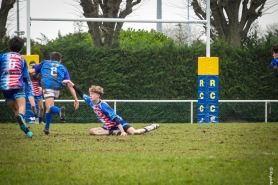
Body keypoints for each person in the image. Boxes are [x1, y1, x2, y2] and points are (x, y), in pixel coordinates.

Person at [62, 80, 159, 136]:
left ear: (98, 96)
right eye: (90, 94)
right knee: (92, 131)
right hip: (109, 127)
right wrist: (70, 82)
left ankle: (151, 126)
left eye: (92, 94)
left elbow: (115, 118)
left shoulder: (103, 105)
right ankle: (113, 132)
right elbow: (80, 92)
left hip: (119, 123)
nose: (90, 95)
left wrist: (122, 131)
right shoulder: (90, 101)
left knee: (135, 133)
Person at [29, 52, 79, 135]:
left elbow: (31, 71)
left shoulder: (45, 62)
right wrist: (76, 99)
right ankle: (46, 128)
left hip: (47, 86)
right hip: (57, 88)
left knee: (50, 107)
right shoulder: (63, 67)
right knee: (49, 108)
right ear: (60, 60)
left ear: (50, 58)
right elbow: (69, 85)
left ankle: (59, 110)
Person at [0, 36, 33, 138]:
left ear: (9, 46)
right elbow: (25, 77)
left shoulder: (2, 56)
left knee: (15, 109)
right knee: (22, 107)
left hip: (5, 86)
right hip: (17, 85)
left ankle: (26, 130)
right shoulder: (22, 60)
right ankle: (22, 117)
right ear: (21, 48)